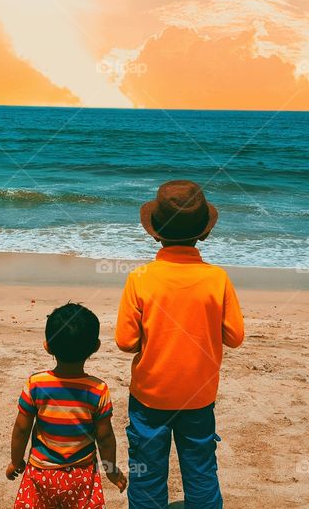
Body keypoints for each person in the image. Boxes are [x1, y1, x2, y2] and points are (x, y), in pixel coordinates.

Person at [115, 180, 245, 509]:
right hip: (199, 395)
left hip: (149, 396)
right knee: (201, 468)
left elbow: (125, 341)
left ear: (156, 231)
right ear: (203, 232)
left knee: (146, 473)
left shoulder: (140, 277)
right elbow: (235, 337)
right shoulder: (217, 278)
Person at [7, 303, 127, 508]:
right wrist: (111, 470)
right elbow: (105, 437)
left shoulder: (36, 384)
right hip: (81, 475)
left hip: (41, 473)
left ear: (47, 346)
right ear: (95, 347)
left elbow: (21, 429)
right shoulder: (98, 389)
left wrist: (15, 461)